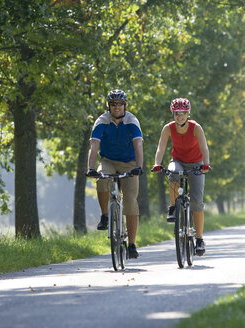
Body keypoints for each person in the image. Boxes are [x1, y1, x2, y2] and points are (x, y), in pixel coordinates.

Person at [86, 89, 144, 259]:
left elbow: (138, 145)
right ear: (109, 106)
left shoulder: (132, 121)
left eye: (120, 104)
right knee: (101, 179)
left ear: (125, 105)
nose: (117, 107)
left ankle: (132, 244)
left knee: (131, 201)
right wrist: (91, 168)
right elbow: (94, 145)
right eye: (113, 104)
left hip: (129, 163)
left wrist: (138, 167)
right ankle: (105, 215)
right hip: (108, 161)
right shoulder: (101, 121)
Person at [152, 98, 210, 256]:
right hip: (178, 161)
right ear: (173, 114)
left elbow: (204, 148)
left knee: (197, 201)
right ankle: (173, 207)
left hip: (196, 164)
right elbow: (160, 148)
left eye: (182, 113)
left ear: (188, 113)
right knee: (172, 173)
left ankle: (199, 239)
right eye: (176, 114)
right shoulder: (168, 128)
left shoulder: (195, 127)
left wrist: (206, 165)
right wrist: (157, 163)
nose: (179, 117)